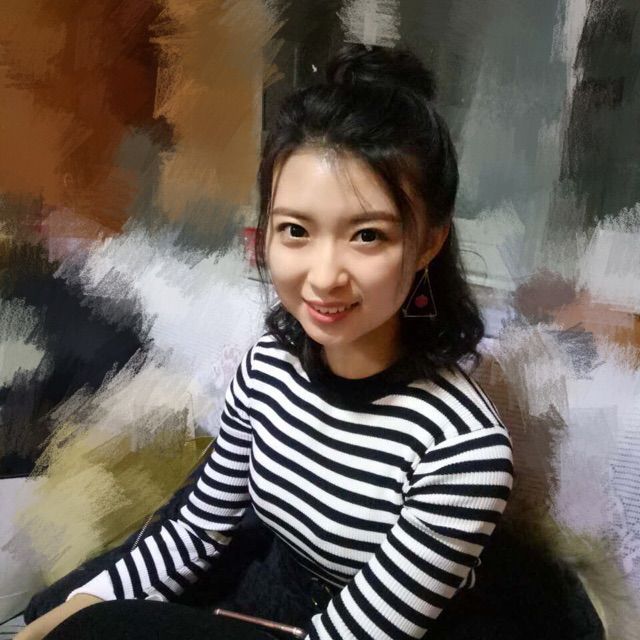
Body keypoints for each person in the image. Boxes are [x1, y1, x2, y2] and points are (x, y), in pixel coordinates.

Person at [17, 44, 514, 639]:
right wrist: (70, 614)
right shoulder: (270, 365)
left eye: (367, 236)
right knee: (57, 612)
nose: (324, 277)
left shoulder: (462, 452)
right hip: (278, 586)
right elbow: (197, 529)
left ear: (428, 242)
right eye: (296, 230)